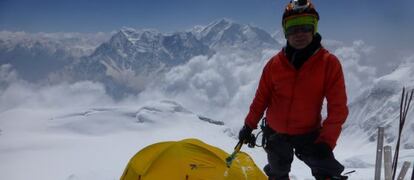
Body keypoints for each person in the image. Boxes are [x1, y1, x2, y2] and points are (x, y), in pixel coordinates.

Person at [238, 0, 349, 179]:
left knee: (327, 173)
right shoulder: (274, 64)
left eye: (305, 26)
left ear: (314, 27)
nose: (299, 34)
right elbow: (261, 98)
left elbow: (338, 108)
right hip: (276, 133)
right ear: (285, 32)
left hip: (309, 133)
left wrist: (326, 142)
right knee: (277, 173)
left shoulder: (329, 64)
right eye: (292, 28)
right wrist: (248, 125)